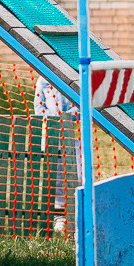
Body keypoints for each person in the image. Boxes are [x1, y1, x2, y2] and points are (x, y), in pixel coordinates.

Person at [34, 75, 79, 233]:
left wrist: (67, 118)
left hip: (75, 134)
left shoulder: (76, 78)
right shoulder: (43, 81)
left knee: (78, 174)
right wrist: (55, 121)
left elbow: (80, 106)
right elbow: (39, 108)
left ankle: (78, 214)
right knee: (57, 176)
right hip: (52, 136)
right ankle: (59, 217)